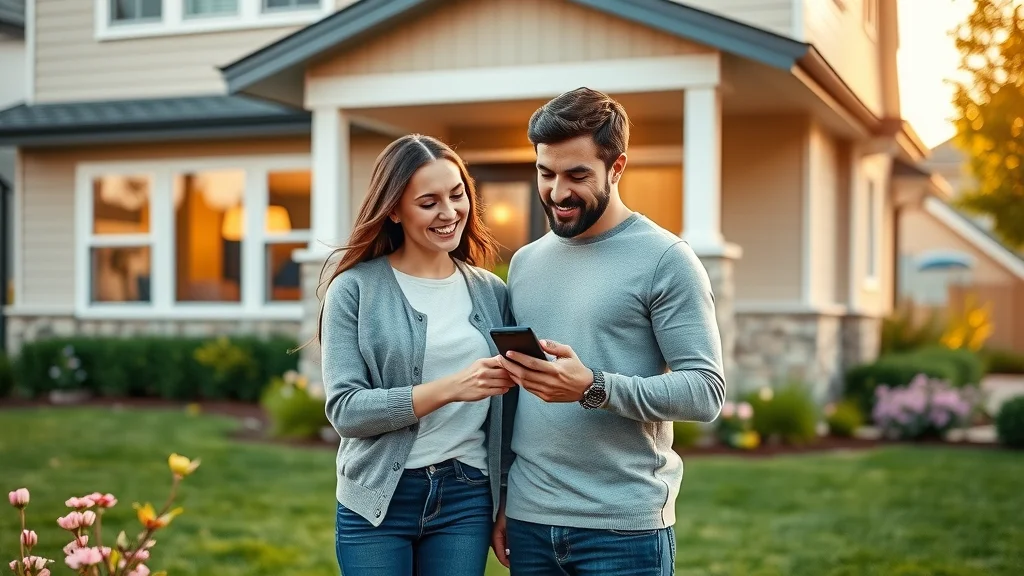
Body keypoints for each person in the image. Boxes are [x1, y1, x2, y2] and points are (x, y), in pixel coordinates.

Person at [491, 87, 727, 576]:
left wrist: (595, 387)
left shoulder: (666, 260)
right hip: (530, 523)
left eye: (577, 175)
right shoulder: (527, 262)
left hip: (624, 530)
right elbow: (517, 392)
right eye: (545, 173)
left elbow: (705, 391)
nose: (557, 192)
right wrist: (505, 495)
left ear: (617, 167)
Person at [317, 134, 517, 576]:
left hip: (467, 495)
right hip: (377, 500)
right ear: (394, 210)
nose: (449, 213)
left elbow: (510, 416)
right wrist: (451, 388)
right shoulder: (355, 289)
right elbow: (346, 411)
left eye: (457, 194)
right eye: (429, 202)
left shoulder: (491, 293)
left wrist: (504, 500)